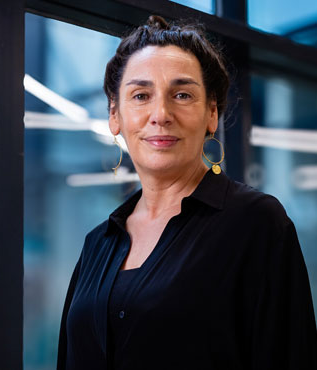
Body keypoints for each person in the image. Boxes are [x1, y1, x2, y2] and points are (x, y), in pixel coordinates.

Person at [57, 15, 317, 370]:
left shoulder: (255, 223)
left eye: (182, 94)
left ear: (212, 113)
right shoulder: (97, 242)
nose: (160, 114)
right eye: (141, 95)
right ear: (115, 115)